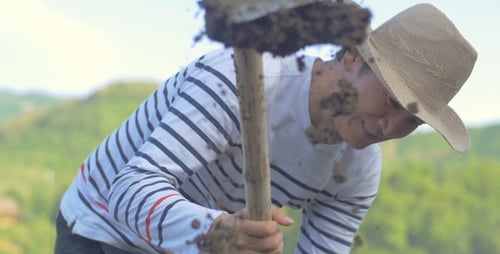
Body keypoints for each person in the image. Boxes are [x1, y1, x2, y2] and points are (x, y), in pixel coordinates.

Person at [54, 3, 477, 254]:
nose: (391, 127)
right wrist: (217, 233)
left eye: (413, 120)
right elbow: (128, 191)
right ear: (351, 57)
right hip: (102, 227)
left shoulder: (360, 169)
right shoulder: (243, 82)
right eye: (391, 101)